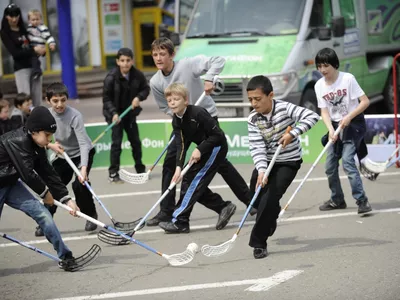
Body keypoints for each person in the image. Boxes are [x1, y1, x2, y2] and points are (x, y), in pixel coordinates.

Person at [148, 37, 252, 226]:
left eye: (162, 54)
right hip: (183, 123)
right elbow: (165, 107)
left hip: (205, 119)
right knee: (171, 162)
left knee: (220, 164)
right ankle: (166, 210)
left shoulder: (188, 65)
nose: (158, 58)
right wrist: (180, 114)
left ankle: (250, 201)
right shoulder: (155, 81)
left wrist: (210, 78)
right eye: (155, 54)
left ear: (172, 55)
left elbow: (218, 60)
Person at [246, 75, 319, 259]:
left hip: (288, 161)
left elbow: (312, 116)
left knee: (269, 199)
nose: (254, 103)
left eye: (258, 99)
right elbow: (257, 147)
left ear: (270, 95)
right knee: (255, 198)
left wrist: (292, 134)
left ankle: (259, 242)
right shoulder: (253, 119)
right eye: (250, 99)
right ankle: (271, 214)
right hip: (267, 162)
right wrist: (262, 170)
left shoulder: (285, 108)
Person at [0, 106, 81, 270]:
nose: (50, 140)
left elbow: (47, 172)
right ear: (34, 131)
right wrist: (45, 194)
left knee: (43, 214)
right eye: (47, 135)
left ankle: (66, 256)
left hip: (11, 184)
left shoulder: (36, 144)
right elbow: (28, 174)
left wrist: (66, 199)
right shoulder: (19, 141)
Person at [158, 83, 237, 233]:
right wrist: (178, 167)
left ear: (185, 100)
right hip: (204, 149)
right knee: (188, 180)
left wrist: (200, 148)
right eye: (169, 101)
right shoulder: (176, 120)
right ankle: (223, 207)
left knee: (193, 182)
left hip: (216, 148)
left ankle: (180, 221)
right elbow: (181, 144)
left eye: (176, 99)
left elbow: (218, 135)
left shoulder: (198, 113)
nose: (172, 103)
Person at [34, 82, 98, 237]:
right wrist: (50, 145)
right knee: (54, 186)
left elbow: (83, 144)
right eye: (55, 101)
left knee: (79, 184)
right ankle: (45, 221)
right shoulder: (45, 115)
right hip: (62, 154)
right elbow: (36, 136)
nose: (60, 104)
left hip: (82, 154)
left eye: (63, 100)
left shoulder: (75, 115)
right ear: (48, 100)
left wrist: (83, 169)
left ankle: (90, 216)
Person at [314, 48, 372, 214]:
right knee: (330, 166)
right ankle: (337, 199)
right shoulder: (319, 85)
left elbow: (364, 102)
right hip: (335, 126)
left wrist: (349, 117)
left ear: (334, 64)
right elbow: (324, 111)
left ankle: (362, 201)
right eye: (319, 66)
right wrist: (330, 129)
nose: (322, 70)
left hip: (353, 124)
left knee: (347, 161)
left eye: (326, 65)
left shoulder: (348, 79)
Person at [102, 47, 150, 182]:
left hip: (129, 114)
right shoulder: (111, 78)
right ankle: (113, 172)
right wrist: (113, 113)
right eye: (122, 60)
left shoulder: (137, 75)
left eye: (128, 60)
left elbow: (146, 89)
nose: (125, 63)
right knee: (116, 143)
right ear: (117, 62)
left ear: (132, 61)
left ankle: (140, 170)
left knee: (135, 142)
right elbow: (106, 99)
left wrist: (139, 97)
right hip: (114, 115)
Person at [0, 4, 45, 107]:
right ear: (6, 16)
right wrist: (34, 49)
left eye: (16, 16)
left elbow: (36, 41)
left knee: (37, 100)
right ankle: (26, 122)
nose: (14, 19)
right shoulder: (5, 33)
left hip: (35, 67)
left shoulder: (24, 28)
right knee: (25, 100)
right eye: (11, 16)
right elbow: (15, 53)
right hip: (21, 69)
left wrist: (41, 49)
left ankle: (39, 120)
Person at [26, 9, 56, 80]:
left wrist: (51, 44)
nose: (35, 21)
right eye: (33, 20)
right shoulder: (28, 28)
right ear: (29, 21)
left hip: (39, 46)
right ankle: (35, 70)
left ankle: (37, 71)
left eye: (37, 19)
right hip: (32, 46)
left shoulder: (43, 28)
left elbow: (48, 37)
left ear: (40, 19)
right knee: (32, 59)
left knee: (34, 58)